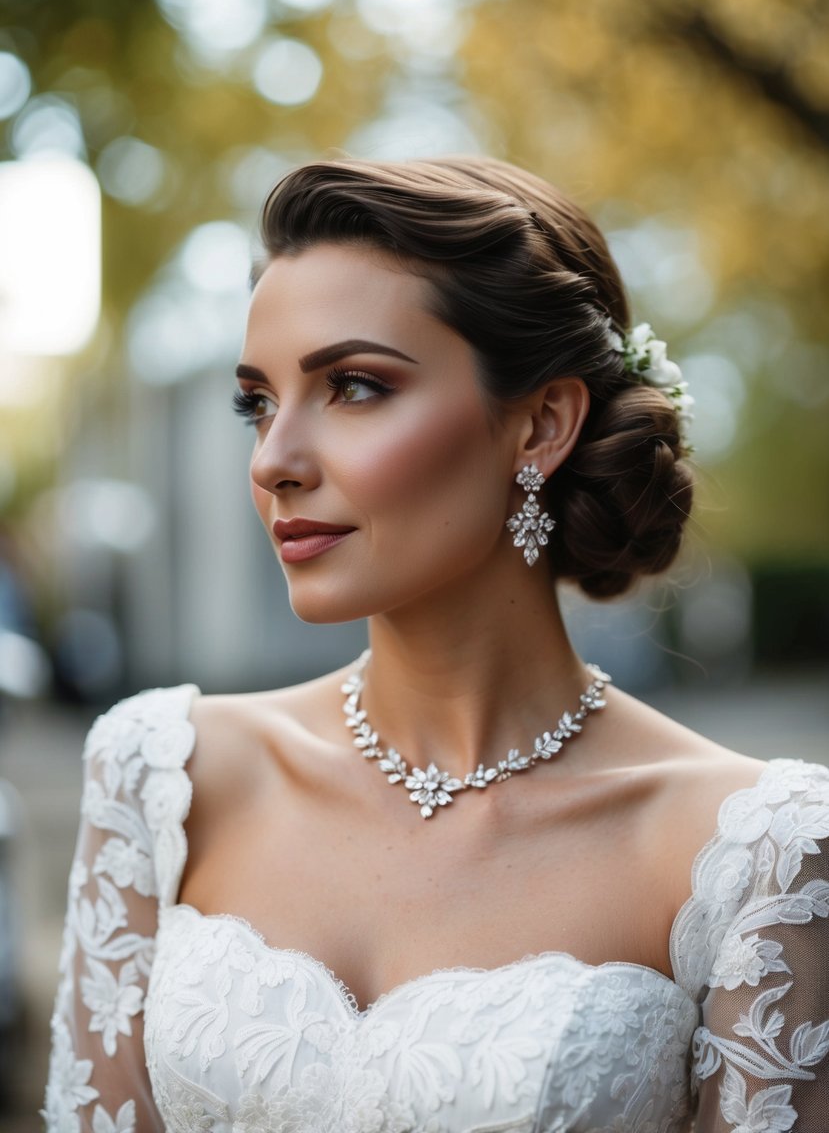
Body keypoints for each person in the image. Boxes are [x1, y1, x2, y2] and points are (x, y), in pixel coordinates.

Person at [44, 157, 829, 1132]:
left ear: (539, 423)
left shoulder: (750, 854)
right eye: (257, 401)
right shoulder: (162, 778)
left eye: (355, 387)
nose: (275, 460)